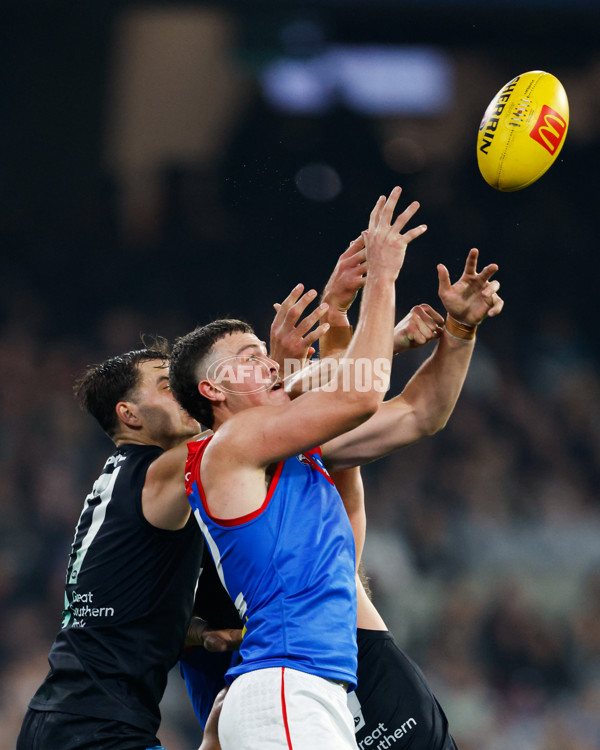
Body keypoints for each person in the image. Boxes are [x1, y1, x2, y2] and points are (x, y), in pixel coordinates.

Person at [178, 238, 502, 750]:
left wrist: (459, 330)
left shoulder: (296, 452)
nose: (269, 366)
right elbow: (358, 392)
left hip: (320, 685)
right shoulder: (223, 447)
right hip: (284, 684)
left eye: (267, 357)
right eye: (249, 359)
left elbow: (419, 413)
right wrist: (382, 283)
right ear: (212, 392)